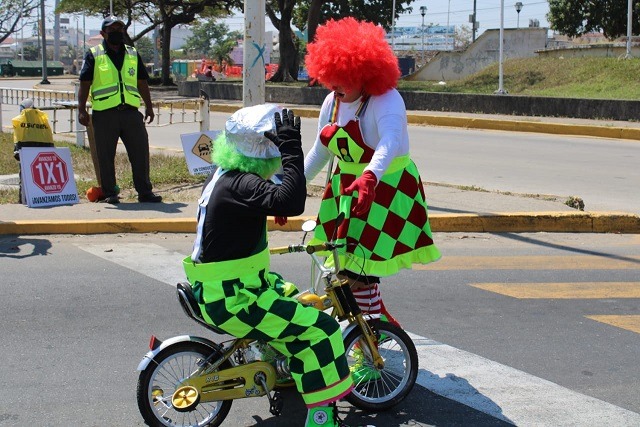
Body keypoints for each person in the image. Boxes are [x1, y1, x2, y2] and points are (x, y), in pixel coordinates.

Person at [182, 104, 356, 427]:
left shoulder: (225, 177)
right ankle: (322, 418)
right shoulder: (242, 185)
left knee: (297, 300)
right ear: (265, 152)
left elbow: (276, 196)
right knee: (323, 331)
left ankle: (283, 365)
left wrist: (276, 193)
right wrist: (292, 150)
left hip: (230, 287)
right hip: (235, 299)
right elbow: (292, 201)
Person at [303, 17, 442, 329]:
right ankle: (371, 326)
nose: (336, 87)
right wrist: (292, 187)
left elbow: (389, 143)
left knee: (359, 270)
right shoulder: (332, 102)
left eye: (344, 80)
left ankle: (369, 337)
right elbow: (320, 151)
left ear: (364, 74)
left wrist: (369, 177)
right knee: (343, 266)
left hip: (385, 189)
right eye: (331, 80)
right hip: (346, 190)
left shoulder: (387, 99)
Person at [77, 16, 162, 204]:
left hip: (131, 112)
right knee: (106, 156)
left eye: (120, 29)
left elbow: (142, 82)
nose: (117, 33)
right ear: (103, 34)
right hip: (105, 113)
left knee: (140, 153)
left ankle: (145, 192)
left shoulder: (132, 53)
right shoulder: (94, 54)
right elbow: (85, 83)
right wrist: (81, 109)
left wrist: (149, 106)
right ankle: (110, 193)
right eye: (112, 30)